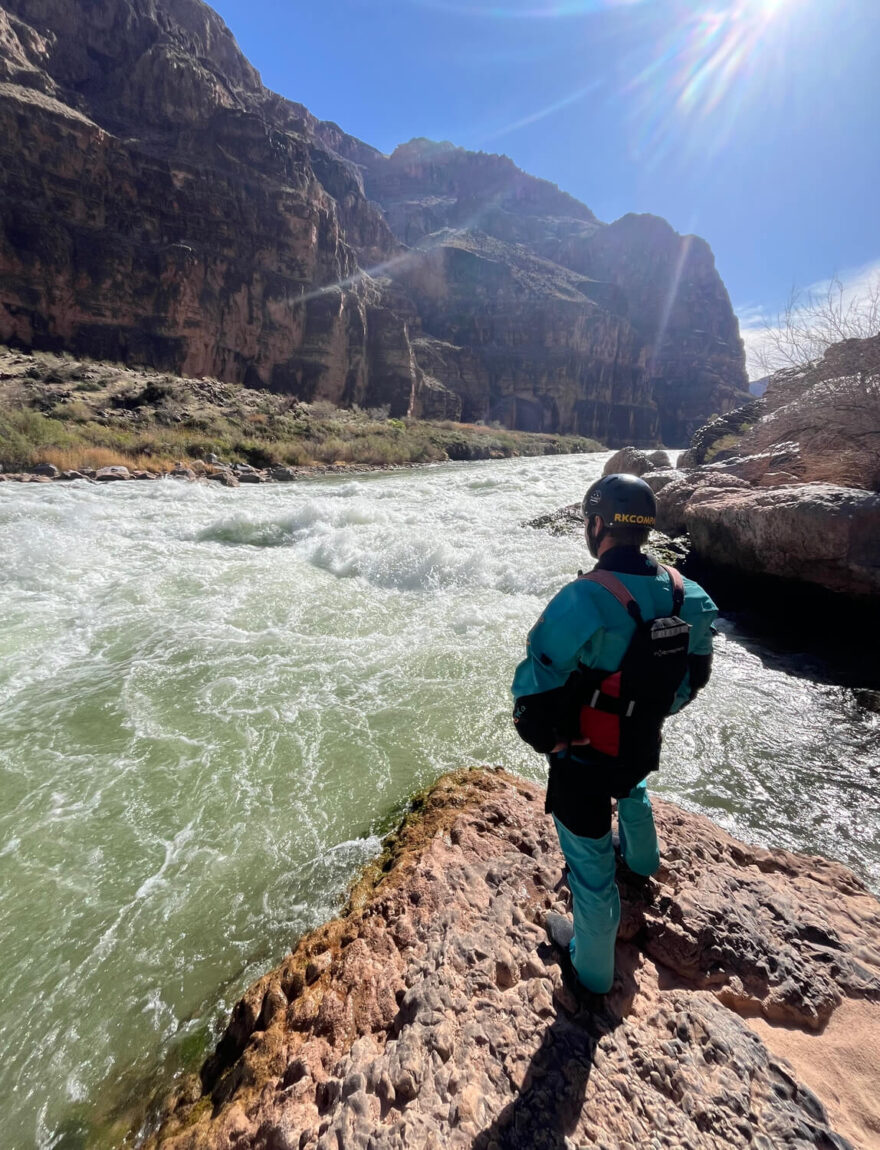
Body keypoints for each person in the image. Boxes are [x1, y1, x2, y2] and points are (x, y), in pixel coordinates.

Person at [511, 473, 718, 995]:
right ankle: (643, 860)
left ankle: (592, 969)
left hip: (584, 755)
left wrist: (550, 740)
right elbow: (695, 678)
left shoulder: (583, 597)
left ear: (598, 525)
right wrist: (647, 715)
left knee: (591, 867)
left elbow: (535, 688)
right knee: (632, 785)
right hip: (640, 742)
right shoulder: (688, 593)